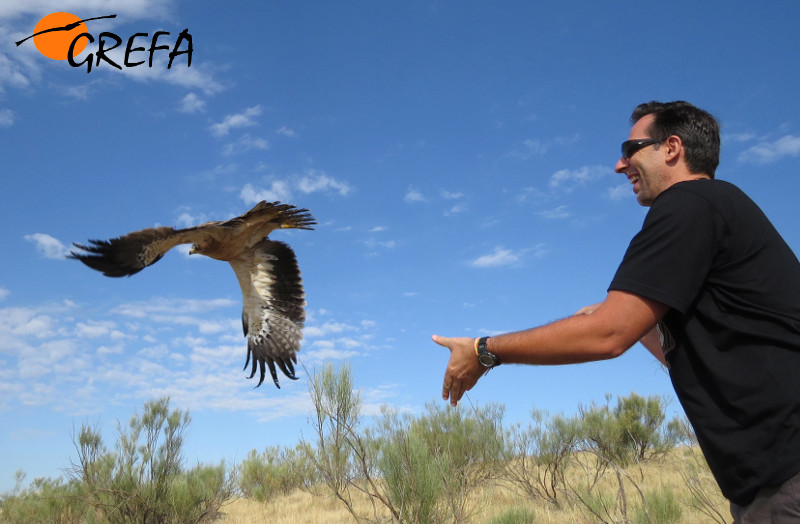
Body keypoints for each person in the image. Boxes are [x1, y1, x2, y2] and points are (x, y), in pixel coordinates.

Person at [433, 101, 800, 522]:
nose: (619, 165)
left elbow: (608, 336)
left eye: (631, 148)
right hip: (769, 482)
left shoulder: (689, 204)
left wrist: (485, 350)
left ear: (672, 148)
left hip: (787, 478)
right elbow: (704, 356)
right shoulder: (716, 210)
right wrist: (643, 322)